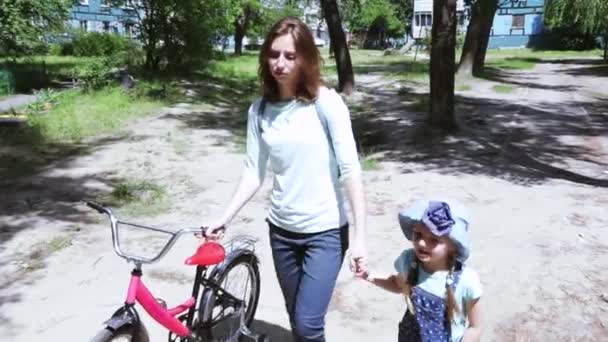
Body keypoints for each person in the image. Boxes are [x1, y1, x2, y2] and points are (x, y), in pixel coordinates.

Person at [204, 16, 368, 342]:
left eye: (290, 56)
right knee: (297, 319)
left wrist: (360, 238)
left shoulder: (326, 104)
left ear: (305, 58)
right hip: (281, 232)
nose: (280, 63)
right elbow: (254, 171)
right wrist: (224, 217)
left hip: (326, 233)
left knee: (308, 325)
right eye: (274, 54)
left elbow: (351, 170)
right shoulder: (260, 111)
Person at [357, 199, 482, 342]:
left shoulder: (465, 280)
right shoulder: (410, 262)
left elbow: (476, 327)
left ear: (453, 246)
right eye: (418, 235)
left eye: (434, 240)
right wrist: (370, 276)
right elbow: (398, 284)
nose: (422, 243)